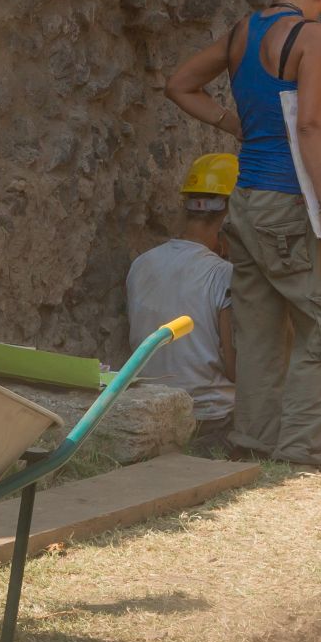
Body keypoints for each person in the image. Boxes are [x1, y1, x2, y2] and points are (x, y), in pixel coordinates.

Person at [163, 0, 321, 469]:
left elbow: (180, 83)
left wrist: (237, 127)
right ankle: (302, 458)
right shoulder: (312, 37)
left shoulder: (241, 32)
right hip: (289, 201)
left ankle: (252, 443)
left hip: (245, 201)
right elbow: (311, 123)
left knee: (258, 331)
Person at [127, 153, 239, 457]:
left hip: (152, 411)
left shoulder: (141, 264)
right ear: (231, 212)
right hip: (210, 418)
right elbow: (235, 369)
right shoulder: (223, 274)